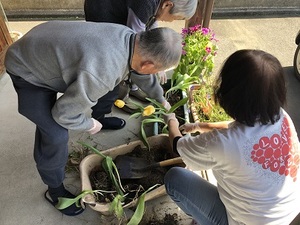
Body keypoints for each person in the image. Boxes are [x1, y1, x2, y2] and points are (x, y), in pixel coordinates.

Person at [4, 20, 182, 216]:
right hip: (27, 69)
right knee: (55, 134)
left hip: (45, 48)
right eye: (156, 71)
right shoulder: (103, 71)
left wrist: (160, 99)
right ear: (148, 64)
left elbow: (140, 72)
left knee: (111, 85)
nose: (155, 74)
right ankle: (54, 190)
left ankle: (101, 117)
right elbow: (63, 114)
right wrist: (88, 124)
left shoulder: (132, 39)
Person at [163, 49, 300, 224]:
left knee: (175, 179)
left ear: (228, 94)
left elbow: (178, 147)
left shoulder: (222, 144)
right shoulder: (281, 117)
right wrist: (198, 126)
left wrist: (171, 121)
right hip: (288, 214)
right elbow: (237, 131)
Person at [84, 0, 197, 118]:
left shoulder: (155, 5)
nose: (171, 21)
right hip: (102, 9)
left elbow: (150, 24)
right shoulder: (145, 4)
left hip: (117, 10)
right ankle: (103, 114)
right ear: (167, 5)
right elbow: (136, 52)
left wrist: (160, 62)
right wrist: (159, 97)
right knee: (114, 66)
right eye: (176, 17)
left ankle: (133, 88)